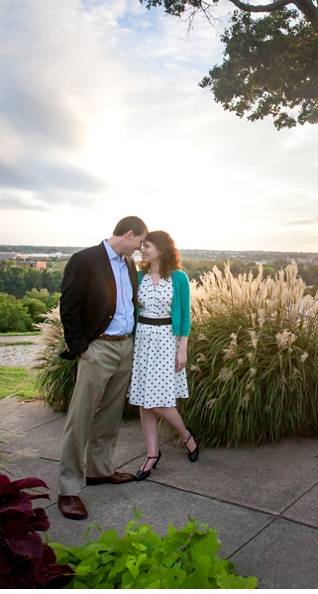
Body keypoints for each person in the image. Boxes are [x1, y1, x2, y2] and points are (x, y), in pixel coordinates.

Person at [56, 216, 147, 520]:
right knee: (80, 417)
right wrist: (82, 347)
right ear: (129, 234)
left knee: (110, 415)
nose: (139, 249)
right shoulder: (85, 260)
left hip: (125, 347)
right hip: (98, 348)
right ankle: (68, 489)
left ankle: (99, 470)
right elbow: (68, 306)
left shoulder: (128, 264)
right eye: (139, 243)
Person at [128, 230, 198, 480]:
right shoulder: (138, 276)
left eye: (147, 246)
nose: (142, 250)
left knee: (160, 402)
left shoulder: (179, 278)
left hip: (167, 340)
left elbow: (185, 317)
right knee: (145, 401)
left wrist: (182, 348)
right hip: (143, 340)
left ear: (161, 248)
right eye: (142, 246)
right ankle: (152, 453)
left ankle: (185, 435)